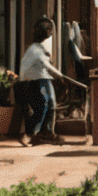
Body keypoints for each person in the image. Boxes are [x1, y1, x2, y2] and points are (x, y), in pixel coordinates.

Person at [18, 18, 74, 146]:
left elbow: (46, 65)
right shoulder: (35, 49)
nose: (50, 34)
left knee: (51, 105)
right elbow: (46, 64)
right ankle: (29, 135)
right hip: (35, 80)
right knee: (42, 106)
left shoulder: (38, 47)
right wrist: (60, 76)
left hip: (42, 78)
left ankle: (46, 132)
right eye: (49, 31)